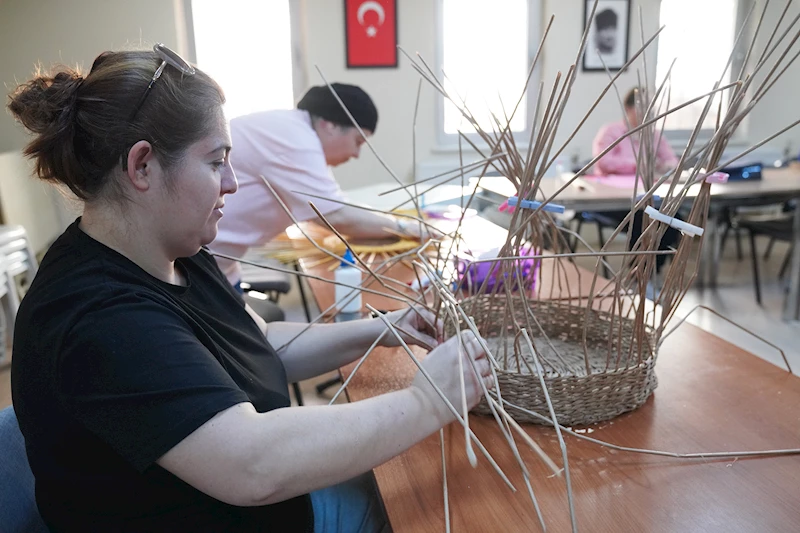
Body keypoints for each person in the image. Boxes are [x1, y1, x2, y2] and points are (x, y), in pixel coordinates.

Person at [8, 45, 492, 533]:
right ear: (143, 167)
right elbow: (253, 465)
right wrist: (428, 400)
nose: (234, 183)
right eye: (216, 162)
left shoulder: (176, 251)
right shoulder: (99, 316)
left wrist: (383, 328)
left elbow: (257, 341)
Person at [211, 83, 429, 288]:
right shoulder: (295, 139)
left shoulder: (292, 131)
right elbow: (337, 216)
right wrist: (406, 228)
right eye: (358, 141)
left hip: (221, 266)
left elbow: (335, 205)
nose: (356, 154)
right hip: (203, 266)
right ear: (330, 125)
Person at [591, 87, 680, 273]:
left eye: (650, 108)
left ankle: (651, 273)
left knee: (673, 220)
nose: (648, 112)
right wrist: (637, 164)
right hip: (615, 201)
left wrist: (664, 166)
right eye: (643, 107)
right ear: (628, 108)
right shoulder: (612, 132)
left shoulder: (654, 135)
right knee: (643, 221)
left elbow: (672, 161)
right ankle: (637, 274)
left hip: (646, 197)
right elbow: (603, 161)